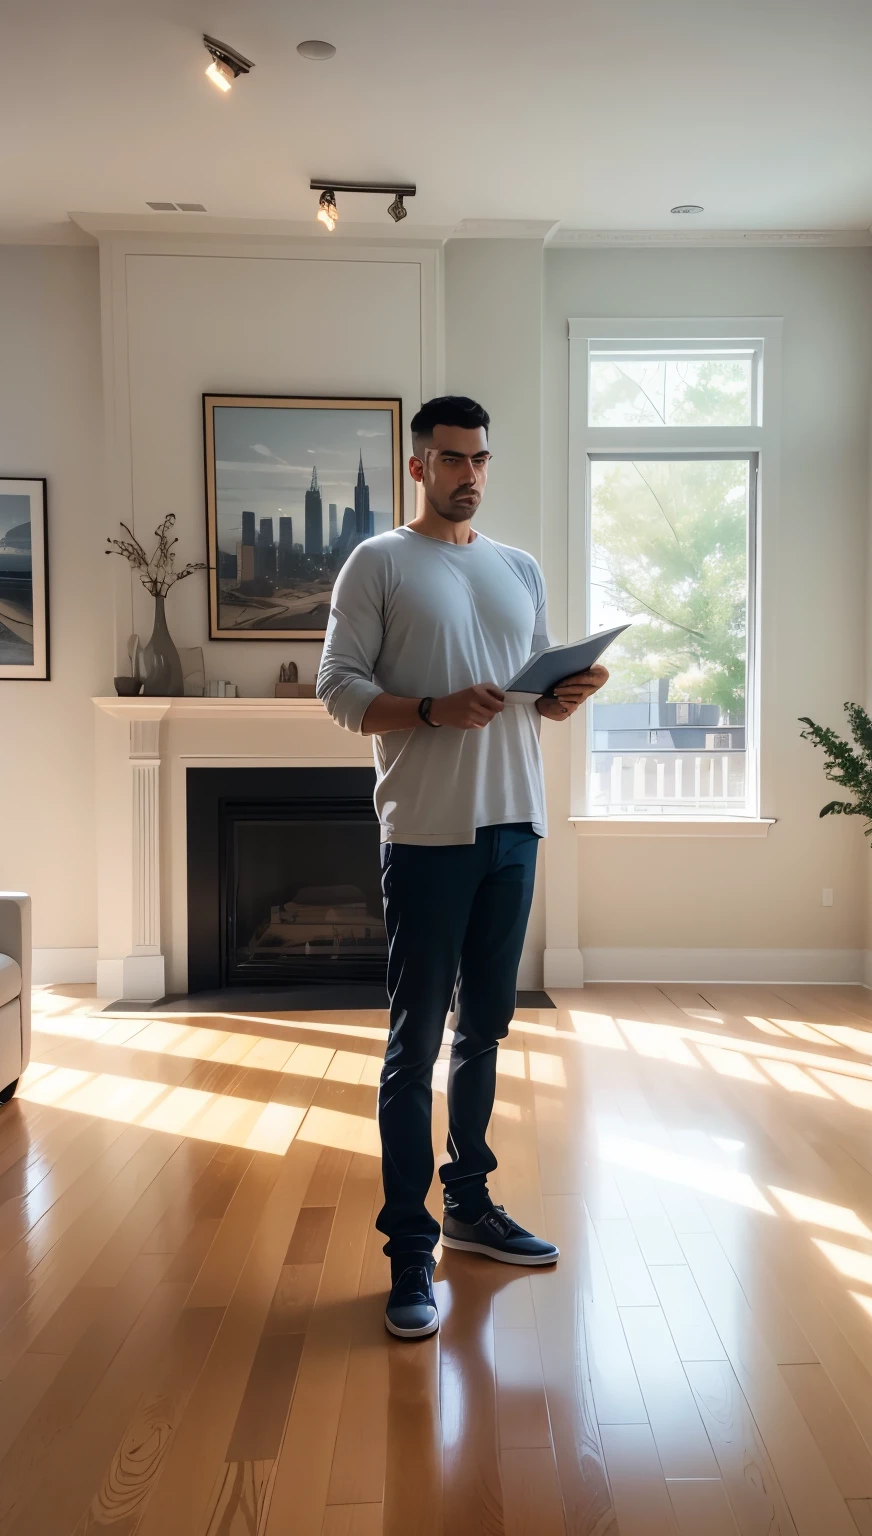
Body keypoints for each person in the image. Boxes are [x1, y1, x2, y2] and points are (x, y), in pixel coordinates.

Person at [317, 395, 608, 1339]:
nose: (468, 474)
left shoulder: (518, 565)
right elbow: (339, 692)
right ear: (416, 467)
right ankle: (411, 1251)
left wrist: (563, 694)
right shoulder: (378, 563)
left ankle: (471, 1207)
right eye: (449, 459)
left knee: (482, 1032)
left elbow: (531, 693)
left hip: (515, 828)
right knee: (413, 1049)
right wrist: (435, 710)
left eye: (479, 458)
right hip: (428, 835)